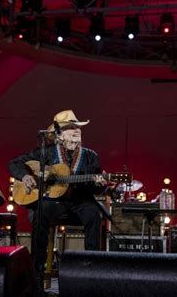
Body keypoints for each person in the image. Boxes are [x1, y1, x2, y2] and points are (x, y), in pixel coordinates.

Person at [9, 110, 109, 272]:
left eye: (78, 127)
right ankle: (37, 270)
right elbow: (15, 163)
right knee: (40, 214)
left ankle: (92, 267)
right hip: (53, 202)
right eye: (70, 127)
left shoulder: (91, 156)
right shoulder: (46, 152)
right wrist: (26, 176)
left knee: (93, 215)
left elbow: (95, 187)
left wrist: (101, 184)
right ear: (59, 134)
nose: (77, 130)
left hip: (79, 202)